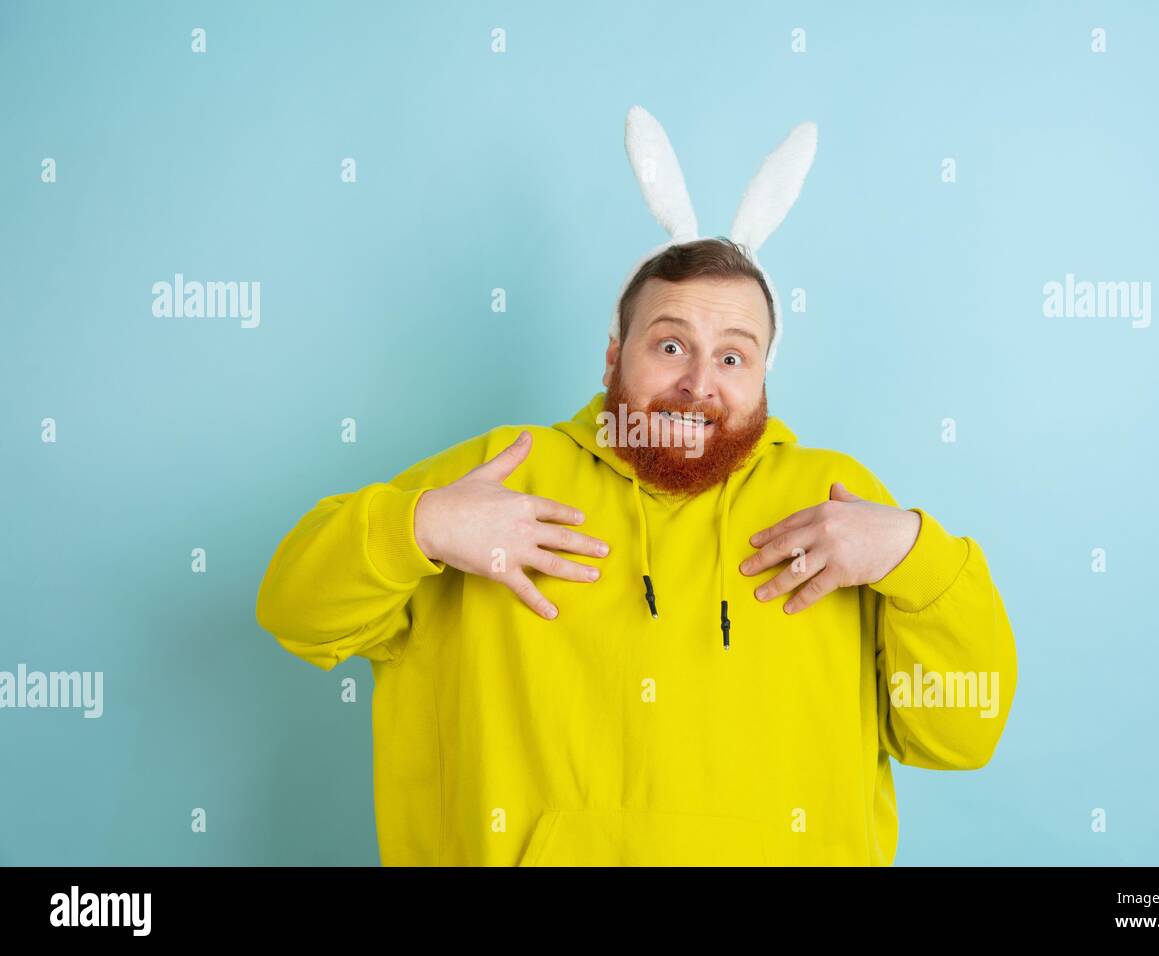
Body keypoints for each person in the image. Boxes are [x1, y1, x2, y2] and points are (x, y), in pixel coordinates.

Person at [255, 109, 1017, 866]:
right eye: (671, 344)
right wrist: (418, 527)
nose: (697, 384)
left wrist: (918, 556)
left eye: (732, 358)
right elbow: (295, 612)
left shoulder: (835, 499)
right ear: (614, 356)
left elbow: (960, 734)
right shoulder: (503, 471)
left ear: (762, 377)